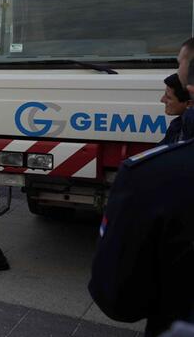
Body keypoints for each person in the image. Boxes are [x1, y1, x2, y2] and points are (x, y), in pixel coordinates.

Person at [89, 39, 194, 336]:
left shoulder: (151, 175)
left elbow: (117, 296)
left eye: (180, 67)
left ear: (190, 93)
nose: (162, 99)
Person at [161, 73, 193, 144]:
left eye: (168, 97)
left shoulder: (187, 128)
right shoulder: (177, 125)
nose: (162, 100)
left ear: (188, 103)